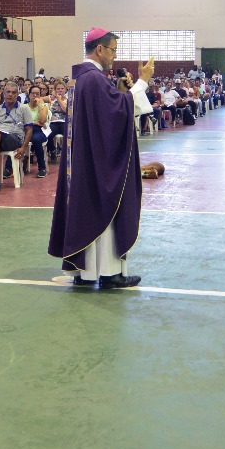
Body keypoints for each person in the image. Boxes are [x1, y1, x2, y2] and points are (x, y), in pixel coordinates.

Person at [48, 29, 151, 289]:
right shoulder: (93, 79)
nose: (115, 56)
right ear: (100, 49)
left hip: (86, 157)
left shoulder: (82, 79)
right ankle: (109, 273)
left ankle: (86, 273)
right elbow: (117, 113)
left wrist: (119, 89)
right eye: (113, 50)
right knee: (104, 204)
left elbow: (105, 111)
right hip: (97, 161)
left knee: (88, 209)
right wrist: (143, 83)